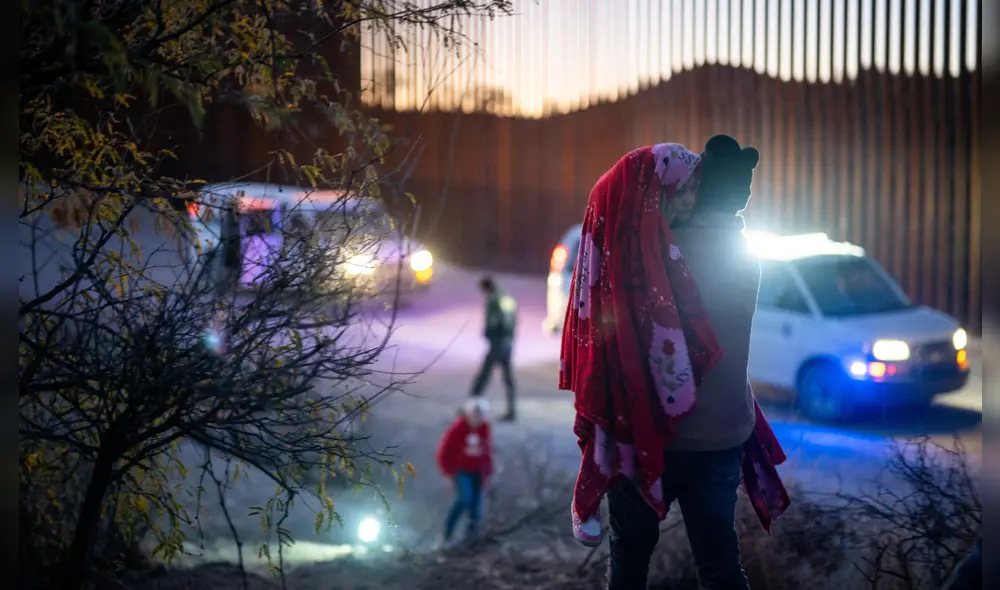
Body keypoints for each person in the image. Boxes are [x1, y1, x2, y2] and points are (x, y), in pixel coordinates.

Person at [559, 137, 790, 590]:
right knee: (721, 564)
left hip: (649, 433)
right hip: (722, 434)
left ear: (700, 189)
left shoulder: (654, 250)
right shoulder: (749, 258)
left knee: (629, 562)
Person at [435, 397, 494, 548]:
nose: (478, 418)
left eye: (481, 415)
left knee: (476, 507)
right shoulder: (458, 429)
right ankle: (447, 534)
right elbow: (443, 452)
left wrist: (488, 471)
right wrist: (447, 472)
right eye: (475, 414)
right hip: (461, 470)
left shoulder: (484, 429)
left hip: (477, 471)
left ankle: (471, 540)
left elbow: (487, 450)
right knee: (464, 499)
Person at [470, 276, 518, 421]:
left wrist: (489, 333)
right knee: (508, 378)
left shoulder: (493, 300)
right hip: (508, 343)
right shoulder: (506, 297)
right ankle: (511, 410)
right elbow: (512, 320)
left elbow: (494, 321)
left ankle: (471, 406)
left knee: (484, 375)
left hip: (498, 343)